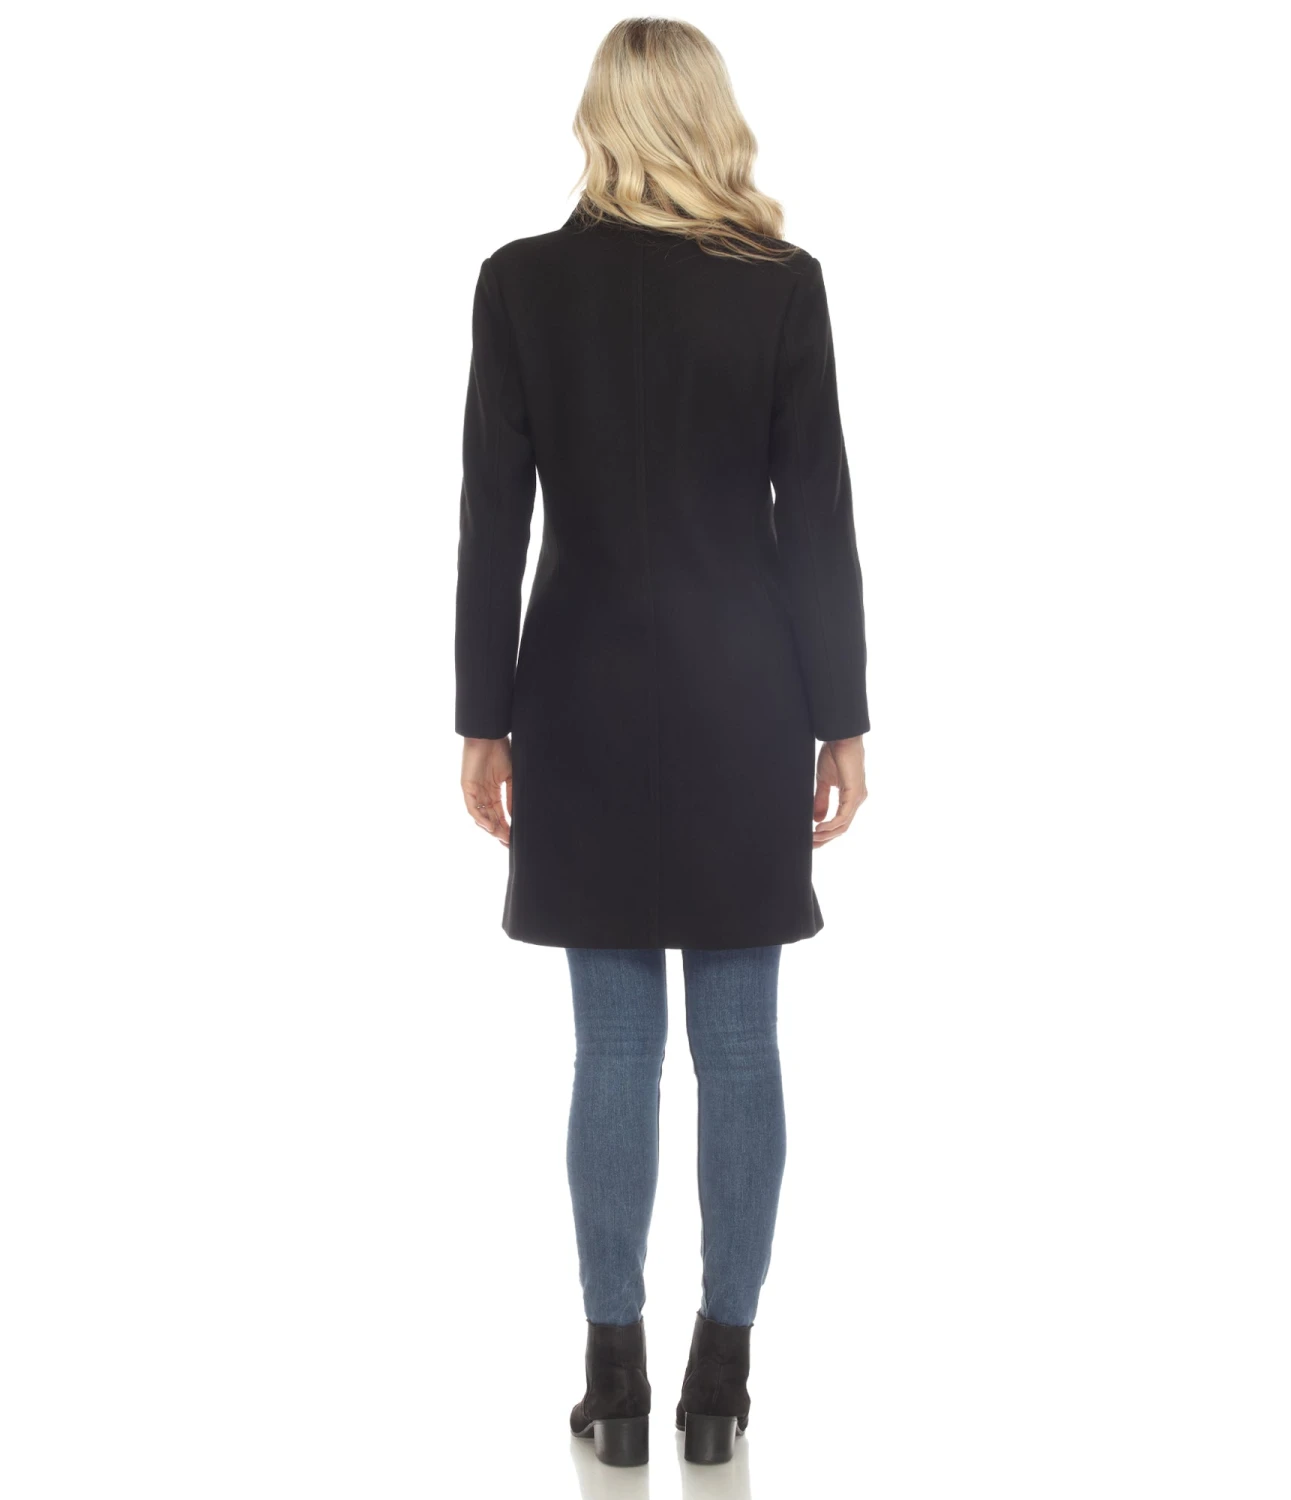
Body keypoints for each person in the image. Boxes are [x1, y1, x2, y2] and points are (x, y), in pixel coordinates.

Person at [454, 17, 869, 1468]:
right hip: (746, 694)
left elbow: (492, 520)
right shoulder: (780, 285)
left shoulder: (521, 284)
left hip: (575, 692)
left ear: (600, 118)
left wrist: (482, 717)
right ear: (710, 117)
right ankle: (722, 1384)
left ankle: (614, 1379)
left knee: (613, 1048)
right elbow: (817, 514)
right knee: (742, 1049)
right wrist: (843, 716)